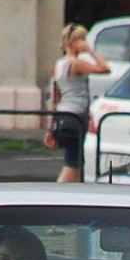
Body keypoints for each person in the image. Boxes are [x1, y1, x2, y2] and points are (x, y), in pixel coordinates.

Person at [46, 23, 111, 183]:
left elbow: (54, 98)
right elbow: (105, 68)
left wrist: (50, 127)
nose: (84, 42)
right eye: (81, 39)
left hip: (62, 116)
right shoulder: (75, 63)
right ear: (73, 43)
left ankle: (73, 192)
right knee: (73, 163)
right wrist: (90, 51)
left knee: (75, 159)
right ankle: (58, 192)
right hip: (76, 116)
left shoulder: (58, 65)